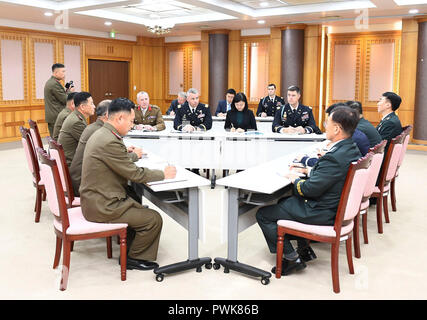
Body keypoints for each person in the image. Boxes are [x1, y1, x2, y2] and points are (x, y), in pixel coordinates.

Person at [256, 106, 361, 276]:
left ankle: (291, 258)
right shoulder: (350, 149)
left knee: (263, 214)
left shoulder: (335, 157)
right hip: (333, 206)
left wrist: (294, 179)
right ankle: (304, 250)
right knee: (284, 202)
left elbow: (309, 189)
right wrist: (309, 172)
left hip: (321, 211)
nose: (325, 125)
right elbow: (331, 176)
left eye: (328, 122)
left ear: (336, 128)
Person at [80, 98, 177, 271]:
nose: (132, 125)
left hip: (96, 197)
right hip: (102, 205)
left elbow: (120, 161)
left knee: (137, 202)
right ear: (119, 119)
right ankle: (133, 258)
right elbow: (135, 173)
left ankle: (130, 248)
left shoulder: (103, 133)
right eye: (131, 121)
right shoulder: (109, 140)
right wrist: (163, 174)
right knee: (153, 219)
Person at [69, 100, 143, 195]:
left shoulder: (93, 127)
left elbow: (111, 153)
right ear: (108, 114)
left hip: (82, 178)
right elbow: (119, 159)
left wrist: (124, 150)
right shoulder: (101, 131)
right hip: (86, 185)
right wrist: (135, 155)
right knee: (128, 189)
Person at [58, 91, 95, 167]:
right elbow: (92, 144)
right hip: (72, 166)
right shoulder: (76, 122)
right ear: (82, 107)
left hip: (69, 161)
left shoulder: (75, 116)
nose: (94, 106)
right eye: (91, 103)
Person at [44, 63, 74, 136]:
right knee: (58, 140)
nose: (64, 74)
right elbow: (65, 100)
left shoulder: (53, 82)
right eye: (63, 71)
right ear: (56, 72)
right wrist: (70, 92)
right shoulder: (54, 84)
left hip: (54, 115)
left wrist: (66, 91)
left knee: (56, 140)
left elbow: (60, 96)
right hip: (56, 116)